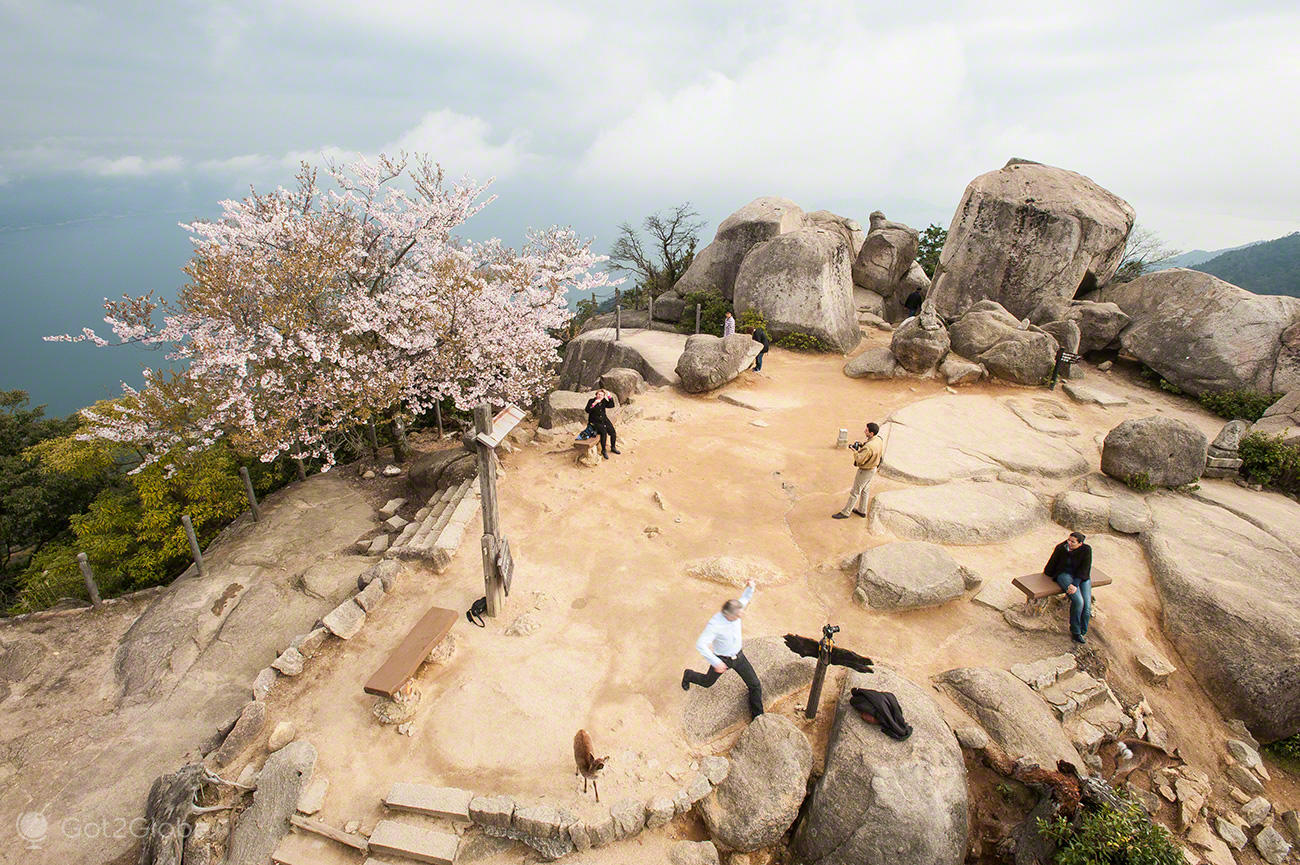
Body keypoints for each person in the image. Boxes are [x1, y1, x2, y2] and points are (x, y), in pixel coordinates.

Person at [681, 580, 764, 720]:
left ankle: (758, 716)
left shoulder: (736, 611)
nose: (741, 616)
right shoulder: (715, 625)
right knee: (707, 682)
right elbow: (701, 644)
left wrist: (751, 586)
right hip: (721, 659)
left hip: (739, 657)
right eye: (738, 615)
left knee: (755, 684)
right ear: (728, 615)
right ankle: (688, 675)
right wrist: (715, 662)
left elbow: (745, 598)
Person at [1043, 531, 1093, 644]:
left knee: (1087, 607)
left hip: (1081, 577)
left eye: (1073, 542)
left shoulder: (1086, 550)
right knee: (1079, 601)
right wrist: (1049, 574)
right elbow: (1051, 565)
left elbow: (1085, 569)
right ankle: (1075, 631)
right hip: (1064, 575)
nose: (1069, 543)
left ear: (1080, 543)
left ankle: (1082, 631)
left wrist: (1075, 584)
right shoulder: (1061, 548)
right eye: (1068, 540)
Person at [833, 422, 883, 519]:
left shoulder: (869, 448)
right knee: (865, 489)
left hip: (865, 471)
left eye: (867, 430)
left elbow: (859, 459)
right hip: (873, 468)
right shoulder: (878, 440)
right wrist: (862, 445)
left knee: (855, 492)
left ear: (871, 433)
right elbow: (870, 447)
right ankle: (862, 510)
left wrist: (855, 451)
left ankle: (846, 512)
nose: (865, 431)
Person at [585, 389, 619, 459]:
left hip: (604, 420)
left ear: (603, 396)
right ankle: (603, 450)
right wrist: (594, 403)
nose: (600, 396)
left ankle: (613, 447)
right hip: (594, 422)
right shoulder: (591, 400)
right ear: (596, 394)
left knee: (613, 432)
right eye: (598, 394)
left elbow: (611, 405)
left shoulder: (603, 401)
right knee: (603, 432)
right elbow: (587, 410)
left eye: (601, 395)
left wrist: (609, 396)